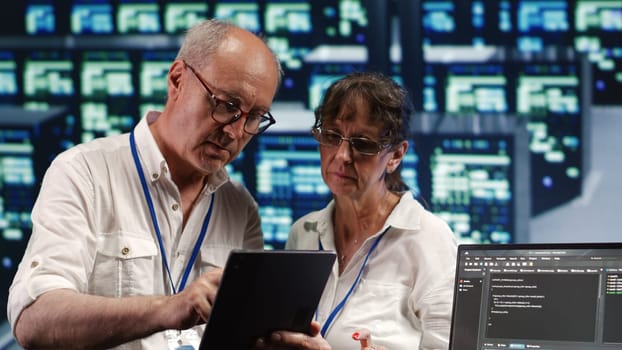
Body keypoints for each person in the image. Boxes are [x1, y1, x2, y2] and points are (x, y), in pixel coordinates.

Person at [7, 19, 282, 349]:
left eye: (254, 117)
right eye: (227, 105)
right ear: (177, 80)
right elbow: (33, 318)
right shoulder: (85, 173)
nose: (235, 132)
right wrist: (170, 308)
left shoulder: (240, 208)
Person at [257, 72, 458, 350]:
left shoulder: (428, 238)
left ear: (396, 156)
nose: (342, 156)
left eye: (362, 144)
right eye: (331, 136)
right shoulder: (303, 232)